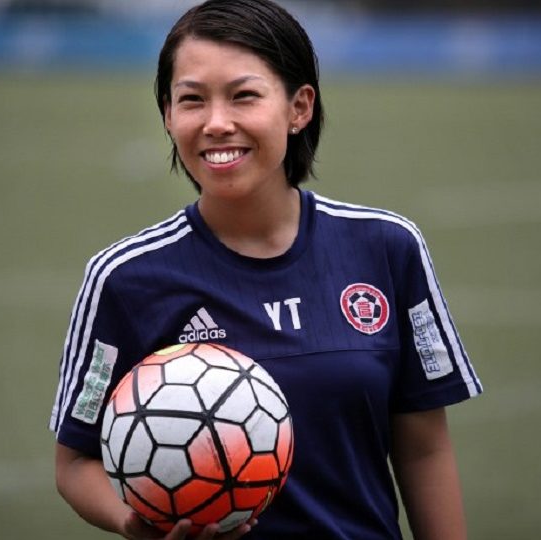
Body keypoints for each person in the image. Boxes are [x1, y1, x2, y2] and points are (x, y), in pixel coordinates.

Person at [50, 0, 483, 538]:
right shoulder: (125, 277)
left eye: (244, 96)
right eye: (191, 100)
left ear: (299, 107)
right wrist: (134, 523)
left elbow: (423, 450)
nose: (216, 123)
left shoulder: (386, 247)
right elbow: (74, 463)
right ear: (167, 114)